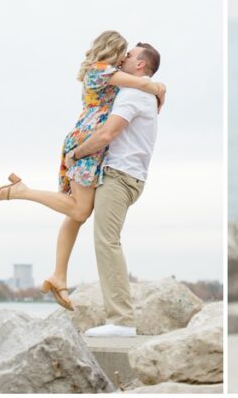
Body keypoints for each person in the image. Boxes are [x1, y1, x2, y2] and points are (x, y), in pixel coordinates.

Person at [0, 32, 164, 310]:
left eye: (128, 55)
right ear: (111, 52)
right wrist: (157, 87)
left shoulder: (112, 75)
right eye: (123, 53)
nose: (124, 58)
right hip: (86, 143)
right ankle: (22, 191)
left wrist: (152, 87)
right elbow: (140, 83)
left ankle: (58, 275)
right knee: (80, 210)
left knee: (76, 214)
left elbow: (137, 85)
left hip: (91, 146)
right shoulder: (100, 71)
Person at [72, 41, 162, 337]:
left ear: (140, 65)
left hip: (120, 175)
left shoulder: (134, 95)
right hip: (129, 176)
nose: (123, 57)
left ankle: (121, 320)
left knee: (106, 241)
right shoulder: (141, 92)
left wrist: (76, 154)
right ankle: (119, 317)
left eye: (130, 55)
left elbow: (108, 133)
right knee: (103, 236)